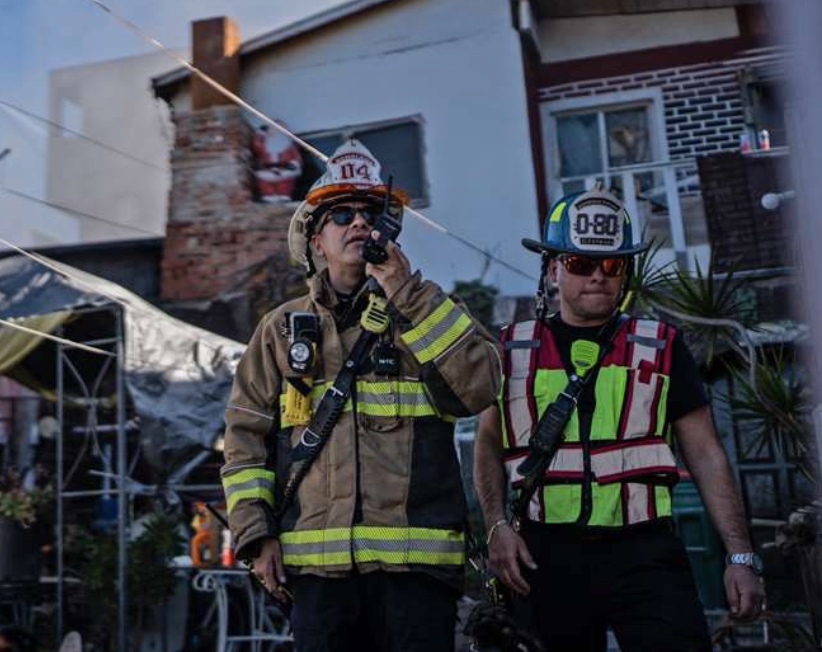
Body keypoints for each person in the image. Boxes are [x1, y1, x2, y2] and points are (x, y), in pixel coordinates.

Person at [221, 140, 502, 651]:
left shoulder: (426, 309)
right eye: (341, 214)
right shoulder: (279, 331)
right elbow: (244, 443)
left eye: (370, 213)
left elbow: (481, 388)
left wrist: (407, 293)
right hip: (317, 580)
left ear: (388, 230)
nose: (358, 223)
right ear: (315, 240)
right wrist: (256, 537)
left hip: (415, 578)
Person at [472, 184, 767, 652]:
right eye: (580, 263)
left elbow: (708, 455)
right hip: (545, 556)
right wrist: (495, 527)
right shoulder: (511, 349)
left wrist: (740, 555)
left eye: (611, 265)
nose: (597, 276)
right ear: (553, 268)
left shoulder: (662, 346)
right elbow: (486, 443)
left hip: (646, 552)